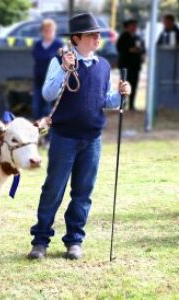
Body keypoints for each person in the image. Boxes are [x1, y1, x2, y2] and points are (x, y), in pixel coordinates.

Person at [28, 13, 131, 260]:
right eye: (91, 35)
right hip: (64, 138)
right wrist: (65, 69)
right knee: (53, 190)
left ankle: (74, 241)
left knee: (83, 192)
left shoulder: (104, 66)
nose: (97, 38)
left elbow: (104, 100)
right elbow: (48, 94)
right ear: (76, 39)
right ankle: (40, 241)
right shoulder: (59, 61)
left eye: (97, 34)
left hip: (93, 139)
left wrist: (121, 94)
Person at [32, 19, 63, 120]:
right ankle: (38, 132)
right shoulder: (37, 44)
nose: (48, 32)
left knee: (48, 110)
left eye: (51, 30)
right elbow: (37, 56)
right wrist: (50, 56)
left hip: (52, 82)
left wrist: (50, 57)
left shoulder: (59, 44)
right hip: (39, 81)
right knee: (36, 108)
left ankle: (49, 134)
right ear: (42, 31)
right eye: (46, 30)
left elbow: (59, 59)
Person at [117, 19, 145, 111]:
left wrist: (139, 51)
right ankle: (123, 103)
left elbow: (143, 49)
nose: (133, 27)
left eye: (135, 25)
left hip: (135, 65)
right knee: (124, 85)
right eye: (131, 25)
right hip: (125, 65)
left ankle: (132, 105)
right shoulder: (123, 36)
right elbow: (119, 48)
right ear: (127, 27)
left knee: (134, 84)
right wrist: (129, 49)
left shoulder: (139, 37)